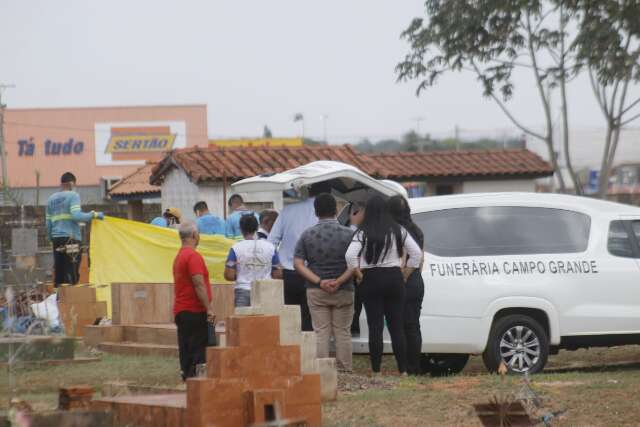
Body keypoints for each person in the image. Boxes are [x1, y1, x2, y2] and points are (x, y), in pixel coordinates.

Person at [345, 195, 422, 375]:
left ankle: (376, 370)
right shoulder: (398, 229)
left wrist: (357, 273)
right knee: (396, 326)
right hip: (394, 279)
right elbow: (416, 254)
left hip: (370, 280)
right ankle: (402, 370)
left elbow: (349, 256)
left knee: (375, 326)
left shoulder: (362, 232)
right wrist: (405, 274)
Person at [294, 193, 355, 372]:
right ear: (336, 210)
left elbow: (297, 263)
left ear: (316, 212)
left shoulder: (307, 234)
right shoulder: (349, 234)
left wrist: (319, 282)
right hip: (344, 290)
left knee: (321, 332)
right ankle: (345, 370)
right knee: (342, 332)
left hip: (316, 290)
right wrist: (339, 280)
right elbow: (356, 263)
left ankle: (322, 370)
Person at [268, 182, 331, 331]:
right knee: (311, 321)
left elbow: (271, 242)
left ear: (309, 191)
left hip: (287, 274)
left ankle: (291, 352)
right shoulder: (326, 216)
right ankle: (308, 353)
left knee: (289, 320)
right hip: (314, 275)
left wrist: (276, 266)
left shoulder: (288, 210)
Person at [388, 195, 425, 376]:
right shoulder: (417, 230)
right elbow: (421, 260)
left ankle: (405, 368)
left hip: (401, 278)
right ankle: (415, 366)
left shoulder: (396, 231)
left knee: (400, 326)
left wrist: (403, 276)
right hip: (417, 281)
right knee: (413, 326)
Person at [46, 172, 104, 287]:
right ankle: (71, 300)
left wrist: (51, 238)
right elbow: (76, 215)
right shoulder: (73, 195)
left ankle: (59, 300)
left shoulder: (51, 199)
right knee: (71, 273)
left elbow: (48, 223)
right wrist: (94, 214)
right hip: (71, 239)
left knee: (59, 273)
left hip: (56, 240)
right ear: (72, 183)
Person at [173, 221, 215, 381]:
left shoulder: (179, 256)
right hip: (194, 310)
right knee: (198, 351)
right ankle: (196, 382)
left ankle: (187, 378)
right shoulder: (193, 256)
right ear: (194, 235)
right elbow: (198, 283)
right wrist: (209, 308)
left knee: (186, 349)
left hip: (182, 310)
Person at [224, 214, 283, 307]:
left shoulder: (236, 248)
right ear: (257, 227)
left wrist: (241, 274)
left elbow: (229, 275)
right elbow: (278, 273)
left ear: (241, 229)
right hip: (265, 291)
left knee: (243, 320)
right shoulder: (270, 247)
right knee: (265, 320)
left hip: (243, 291)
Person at [348, 202, 365, 337]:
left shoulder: (363, 230)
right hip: (354, 272)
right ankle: (354, 326)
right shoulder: (354, 232)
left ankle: (356, 326)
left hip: (358, 271)